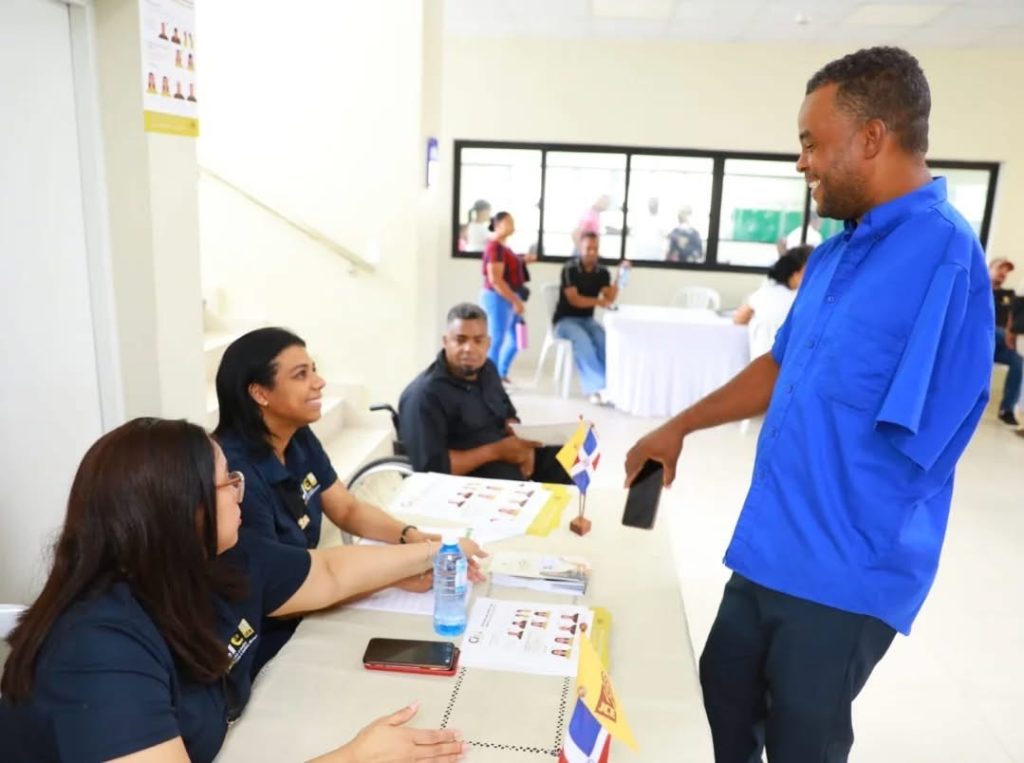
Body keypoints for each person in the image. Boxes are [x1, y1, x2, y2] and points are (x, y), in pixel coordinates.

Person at [625, 47, 993, 763]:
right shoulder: (833, 252)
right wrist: (679, 426)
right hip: (768, 547)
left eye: (811, 143)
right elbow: (780, 365)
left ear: (872, 137)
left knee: (803, 743)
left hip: (844, 570)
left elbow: (934, 437)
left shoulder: (947, 260)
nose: (803, 163)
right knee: (719, 705)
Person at [0, 418, 468, 763]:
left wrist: (437, 551)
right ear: (181, 509)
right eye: (228, 481)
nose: (240, 490)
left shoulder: (218, 557)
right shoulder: (100, 647)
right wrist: (354, 759)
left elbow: (329, 573)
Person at [214, 328, 484, 675]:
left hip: (313, 598)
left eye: (314, 369)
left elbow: (347, 508)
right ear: (260, 393)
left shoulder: (296, 435)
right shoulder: (235, 480)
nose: (320, 382)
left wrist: (410, 536)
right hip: (269, 637)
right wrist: (396, 574)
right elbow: (284, 593)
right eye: (301, 375)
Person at [398, 302, 574, 484]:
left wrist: (523, 445)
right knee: (510, 480)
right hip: (466, 475)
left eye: (478, 340)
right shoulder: (424, 396)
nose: (469, 348)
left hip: (504, 450)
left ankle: (571, 502)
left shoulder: (487, 370)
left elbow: (508, 413)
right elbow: (432, 468)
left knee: (570, 455)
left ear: (488, 343)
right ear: (446, 341)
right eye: (460, 340)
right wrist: (496, 451)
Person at [552, 232, 624, 405]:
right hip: (565, 320)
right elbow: (574, 300)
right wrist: (599, 302)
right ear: (580, 248)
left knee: (604, 340)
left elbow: (609, 298)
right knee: (583, 341)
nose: (592, 252)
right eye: (588, 248)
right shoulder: (569, 268)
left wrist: (619, 277)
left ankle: (611, 386)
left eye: (595, 248)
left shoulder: (602, 271)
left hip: (587, 320)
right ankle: (598, 388)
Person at [732, 246, 812, 357]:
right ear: (796, 273)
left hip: (759, 360)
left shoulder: (764, 293)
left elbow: (739, 319)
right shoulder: (803, 300)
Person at [480, 211, 528, 382]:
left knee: (518, 339)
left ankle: (500, 374)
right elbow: (495, 280)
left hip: (508, 297)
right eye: (509, 222)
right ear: (498, 225)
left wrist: (524, 260)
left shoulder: (503, 248)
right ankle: (489, 381)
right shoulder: (495, 247)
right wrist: (515, 301)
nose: (513, 225)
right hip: (497, 298)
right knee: (497, 339)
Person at [989, 257, 1021, 426]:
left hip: (1001, 344)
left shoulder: (1009, 295)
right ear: (989, 268)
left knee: (1018, 359)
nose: (1003, 273)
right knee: (993, 330)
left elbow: (1013, 319)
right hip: (981, 340)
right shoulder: (978, 290)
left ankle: (1007, 410)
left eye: (1006, 271)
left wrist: (1011, 335)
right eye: (1000, 268)